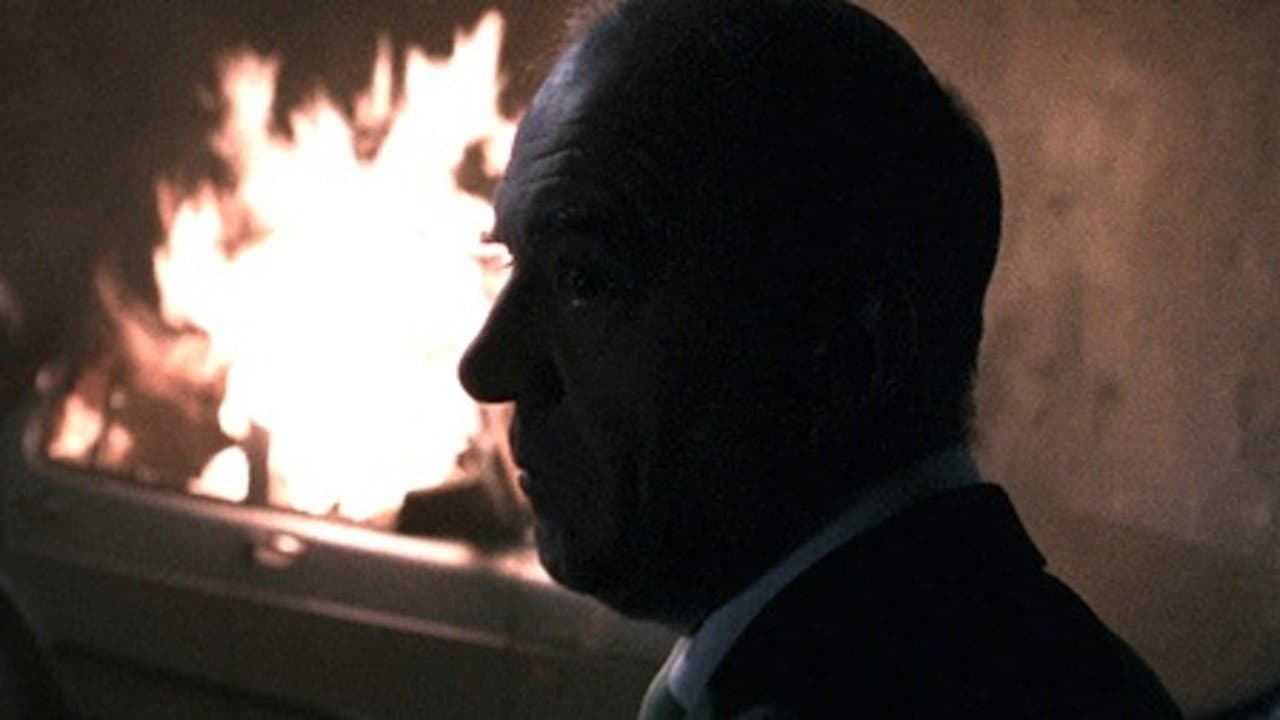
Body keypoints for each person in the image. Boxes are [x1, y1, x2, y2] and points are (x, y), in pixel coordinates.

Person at [458, 0, 1181, 716]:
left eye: (585, 280)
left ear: (851, 355)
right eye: (512, 262)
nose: (486, 367)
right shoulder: (1022, 654)